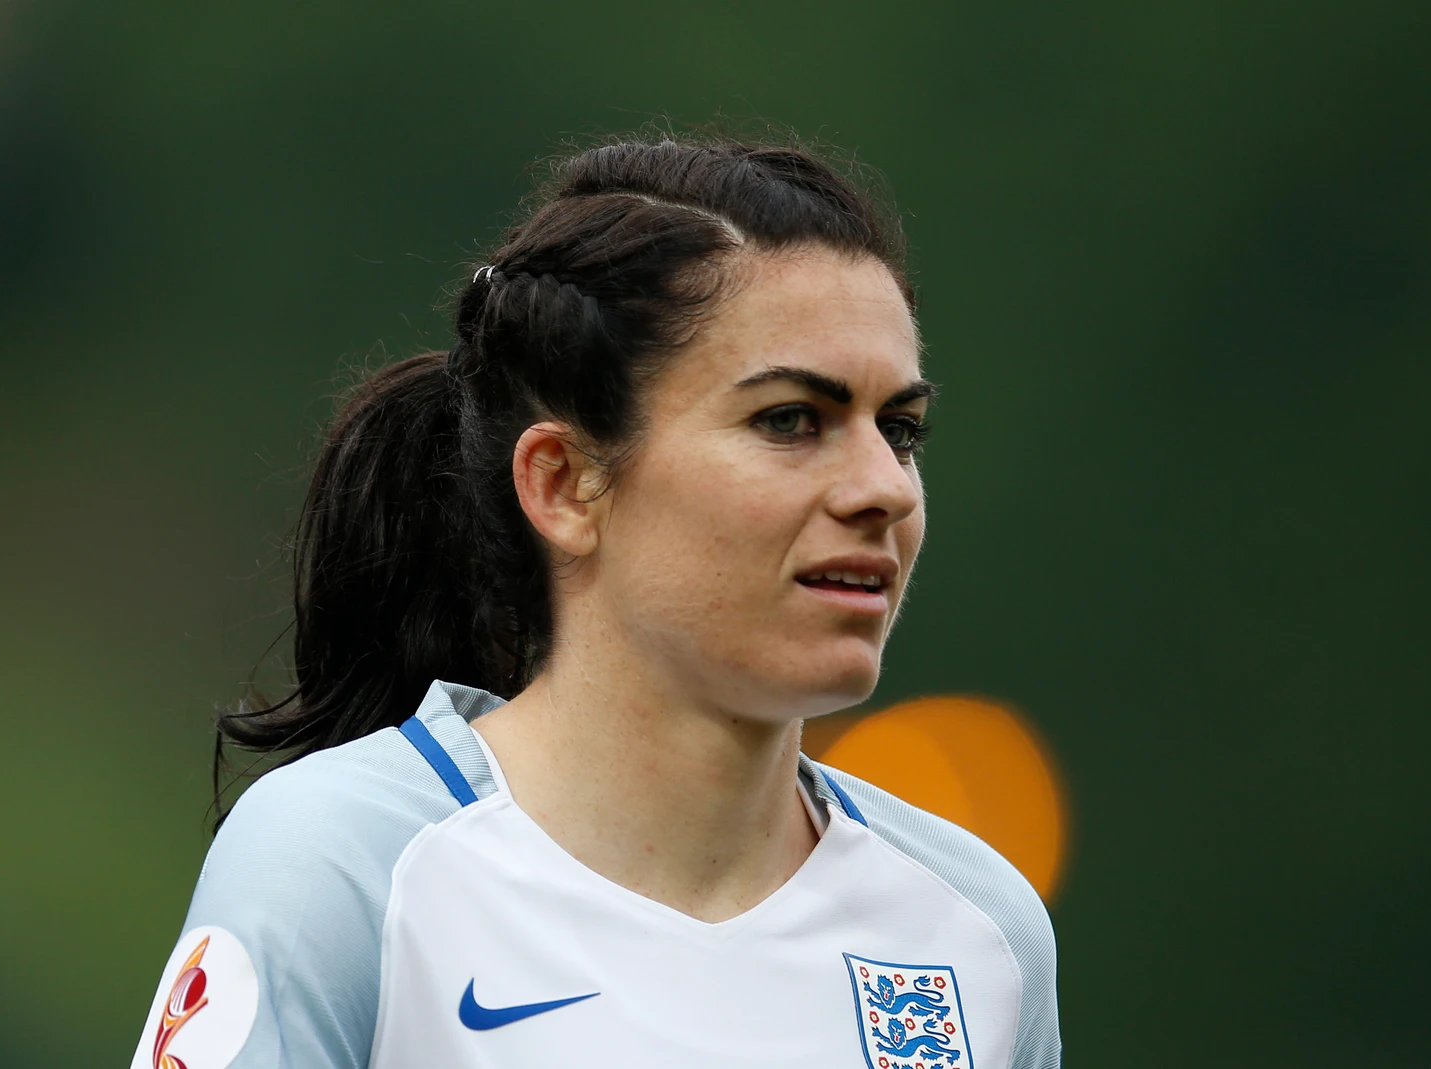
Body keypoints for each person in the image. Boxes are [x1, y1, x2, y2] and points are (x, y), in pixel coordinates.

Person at [129, 134, 1061, 1069]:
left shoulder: (975, 936)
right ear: (566, 482)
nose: (884, 489)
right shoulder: (342, 866)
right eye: (790, 420)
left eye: (899, 430)